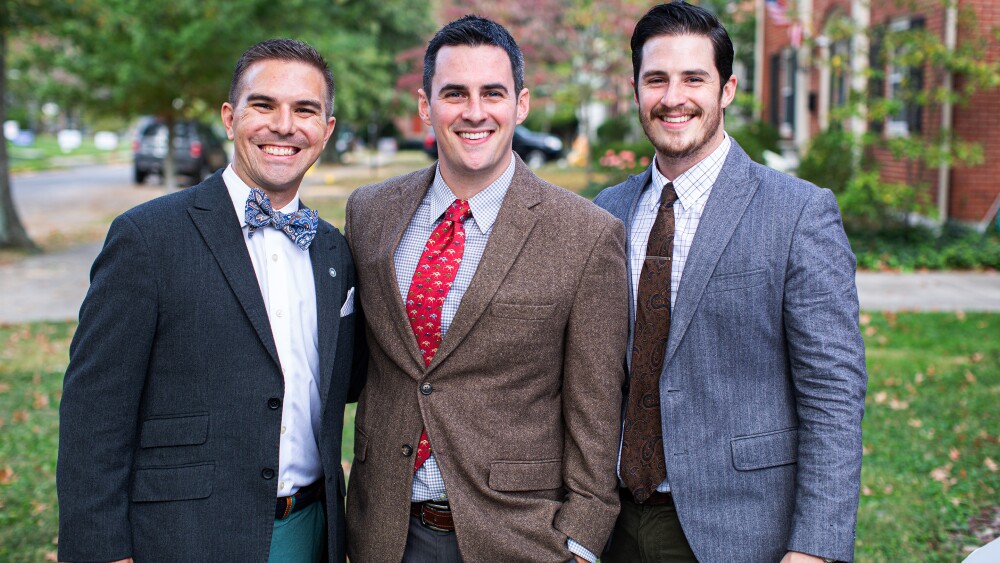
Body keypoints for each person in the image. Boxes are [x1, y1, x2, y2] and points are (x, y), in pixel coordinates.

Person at [57, 38, 364, 563]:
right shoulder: (148, 237)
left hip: (315, 531)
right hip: (186, 534)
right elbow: (94, 413)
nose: (284, 125)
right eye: (263, 105)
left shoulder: (334, 248)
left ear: (326, 131)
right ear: (229, 117)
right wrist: (102, 550)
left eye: (305, 110)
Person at [344, 15, 628, 563]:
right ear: (426, 108)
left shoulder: (586, 235)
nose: (475, 112)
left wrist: (582, 541)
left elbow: (595, 409)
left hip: (520, 538)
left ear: (520, 105)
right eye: (454, 93)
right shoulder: (369, 213)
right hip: (384, 534)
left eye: (492, 93)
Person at [593, 3, 868, 562]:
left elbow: (834, 395)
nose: (674, 98)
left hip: (740, 529)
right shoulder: (607, 212)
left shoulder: (797, 214)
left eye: (695, 78)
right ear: (636, 89)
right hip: (613, 524)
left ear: (727, 89)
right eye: (657, 80)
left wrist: (814, 547)